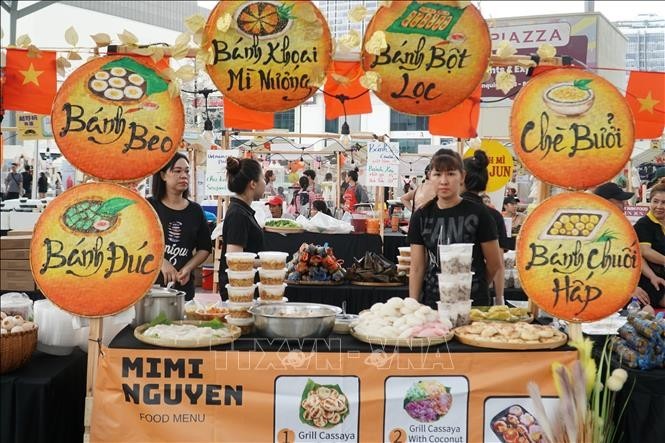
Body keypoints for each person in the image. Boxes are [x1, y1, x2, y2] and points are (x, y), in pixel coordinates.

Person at [408, 150, 502, 308]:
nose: (444, 181)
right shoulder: (421, 216)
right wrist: (413, 306)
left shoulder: (479, 213)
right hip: (434, 304)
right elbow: (417, 268)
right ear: (430, 177)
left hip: (473, 305)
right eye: (437, 174)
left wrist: (473, 287)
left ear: (462, 177)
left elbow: (494, 263)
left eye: (451, 174)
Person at [148, 152, 213, 301]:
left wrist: (188, 268)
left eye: (187, 171)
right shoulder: (149, 207)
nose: (184, 175)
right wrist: (160, 262)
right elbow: (136, 243)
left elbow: (205, 248)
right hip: (151, 288)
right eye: (177, 171)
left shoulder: (195, 210)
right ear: (163, 175)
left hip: (183, 290)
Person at [594, 182, 663, 307]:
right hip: (607, 290)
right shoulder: (597, 230)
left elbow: (634, 256)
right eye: (621, 201)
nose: (625, 204)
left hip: (628, 284)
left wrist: (652, 276)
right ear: (608, 203)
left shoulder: (618, 225)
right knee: (647, 311)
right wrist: (629, 288)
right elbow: (602, 268)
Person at [462, 150, 508, 305]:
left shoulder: (447, 212)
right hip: (479, 294)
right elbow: (498, 264)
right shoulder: (494, 215)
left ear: (461, 179)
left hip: (444, 293)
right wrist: (499, 298)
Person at [219, 156, 265, 297]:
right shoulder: (238, 214)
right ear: (253, 184)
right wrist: (268, 262)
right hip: (238, 292)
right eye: (262, 178)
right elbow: (234, 259)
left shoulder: (242, 210)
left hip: (244, 288)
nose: (265, 182)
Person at [624, 180, 665, 308]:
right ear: (649, 201)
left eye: (664, 203)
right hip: (650, 281)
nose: (659, 206)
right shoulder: (644, 224)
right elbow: (644, 252)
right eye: (655, 201)